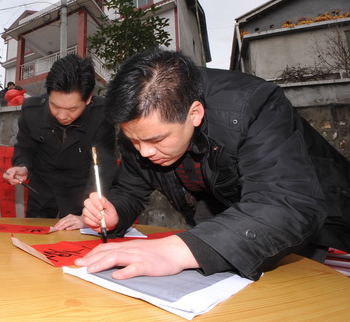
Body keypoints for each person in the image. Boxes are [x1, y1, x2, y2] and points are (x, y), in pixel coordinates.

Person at [77, 49, 350, 281]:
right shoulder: (141, 133)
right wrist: (114, 214)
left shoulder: (253, 106)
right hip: (239, 230)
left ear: (194, 113)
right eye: (133, 140)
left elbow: (285, 202)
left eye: (156, 139)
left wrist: (176, 250)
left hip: (325, 228)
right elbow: (129, 191)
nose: (145, 152)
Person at [3, 54, 117, 230]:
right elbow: (25, 146)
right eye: (55, 106)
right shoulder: (31, 110)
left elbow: (102, 165)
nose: (62, 116)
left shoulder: (101, 115)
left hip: (82, 197)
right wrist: (22, 166)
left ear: (88, 99)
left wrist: (87, 215)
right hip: (41, 194)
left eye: (72, 109)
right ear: (48, 94)